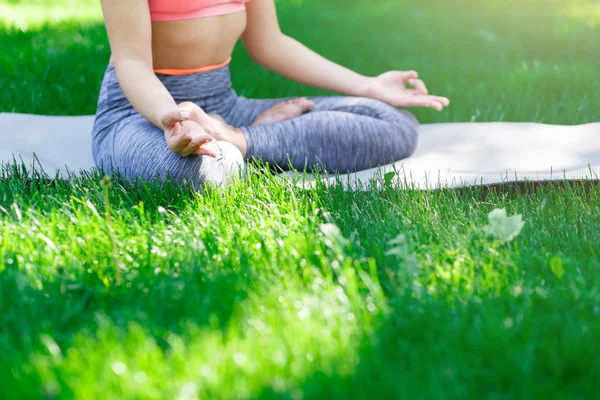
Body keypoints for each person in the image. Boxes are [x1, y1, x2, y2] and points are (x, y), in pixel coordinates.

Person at [92, 0, 449, 189]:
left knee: (393, 121)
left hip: (223, 108)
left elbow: (270, 44)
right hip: (140, 117)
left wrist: (368, 85)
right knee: (206, 173)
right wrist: (174, 120)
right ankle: (244, 145)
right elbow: (133, 62)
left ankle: (243, 140)